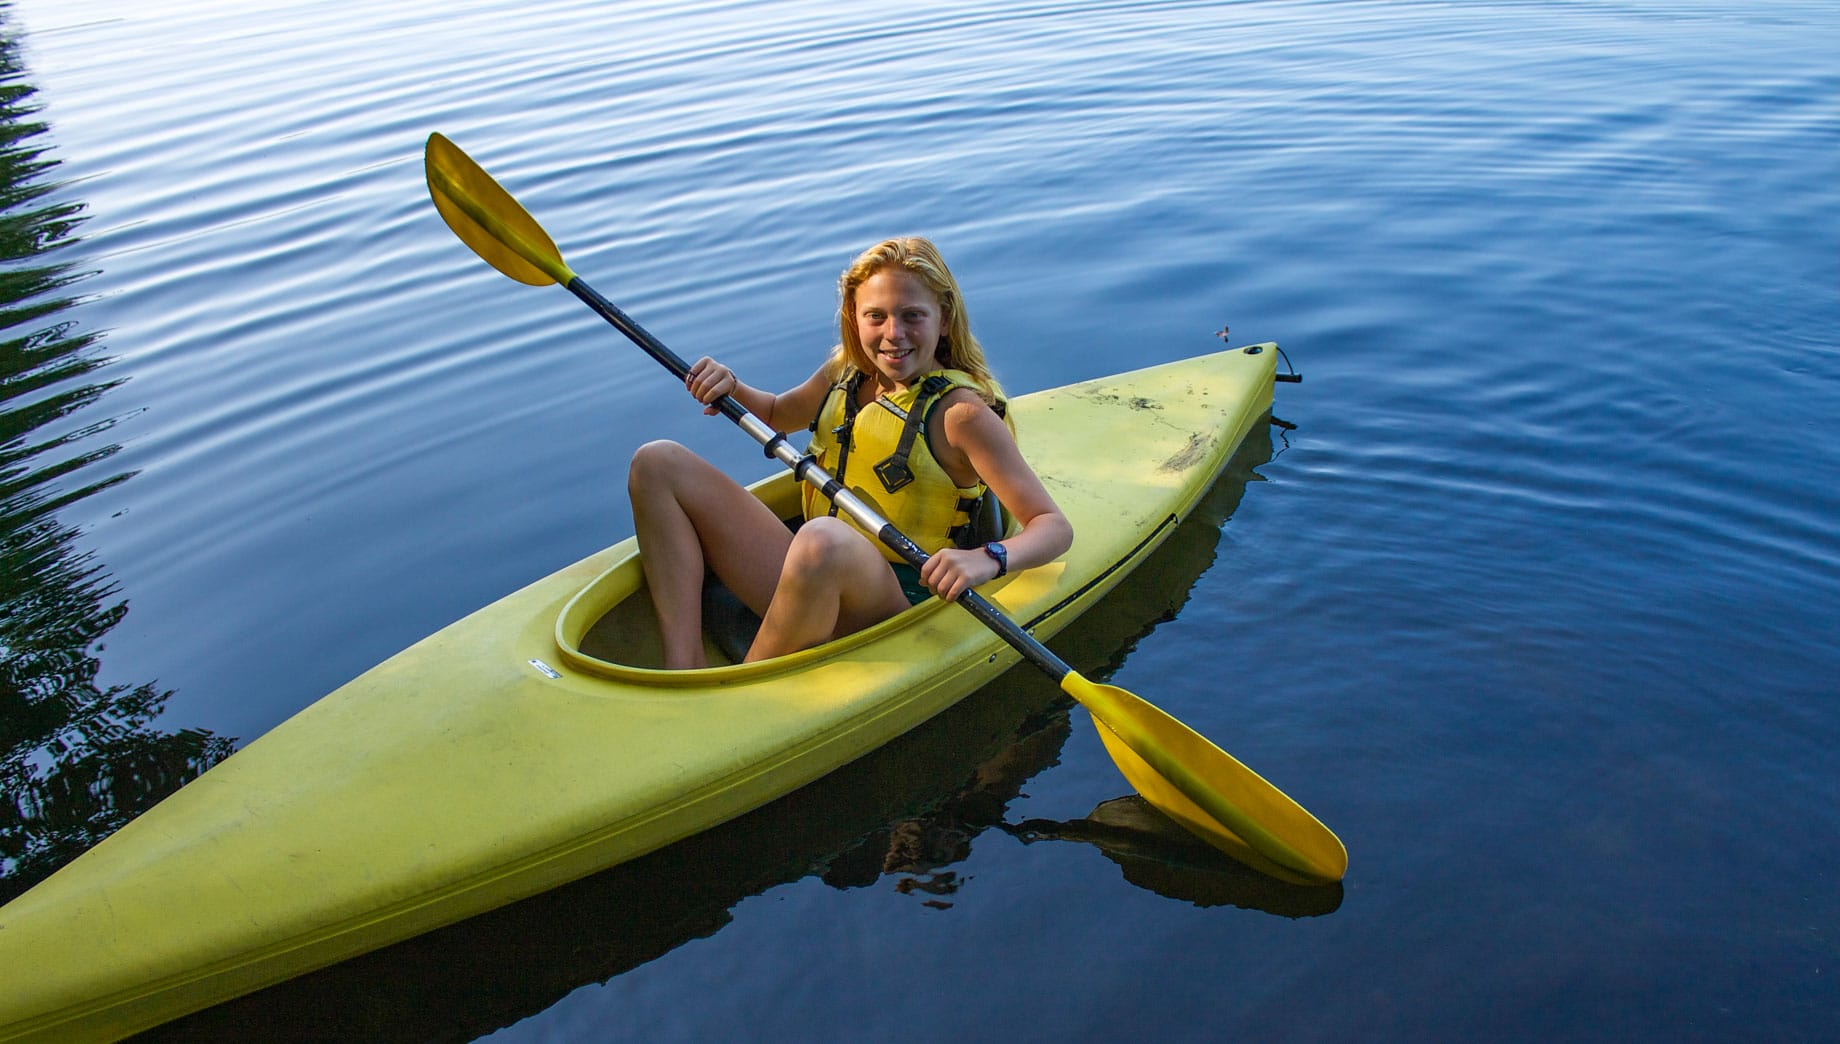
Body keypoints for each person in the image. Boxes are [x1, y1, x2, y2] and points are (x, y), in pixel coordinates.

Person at [627, 236, 1073, 669]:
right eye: (875, 316)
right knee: (657, 462)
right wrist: (731, 385)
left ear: (944, 318)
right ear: (853, 318)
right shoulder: (845, 373)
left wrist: (985, 559)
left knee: (823, 538)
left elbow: (1052, 528)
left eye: (912, 315)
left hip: (892, 606)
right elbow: (777, 412)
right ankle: (683, 665)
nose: (893, 334)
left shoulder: (961, 416)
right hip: (811, 574)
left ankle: (736, 689)